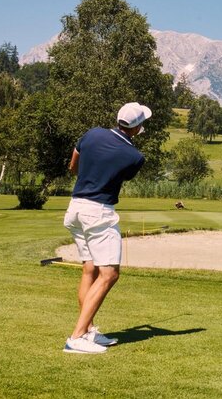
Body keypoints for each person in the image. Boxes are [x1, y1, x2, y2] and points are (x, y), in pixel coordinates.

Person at [61, 102, 151, 354]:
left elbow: (73, 164)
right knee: (109, 274)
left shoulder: (92, 133)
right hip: (99, 213)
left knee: (90, 270)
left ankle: (88, 331)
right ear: (137, 127)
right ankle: (76, 337)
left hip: (75, 208)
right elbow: (118, 175)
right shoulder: (135, 157)